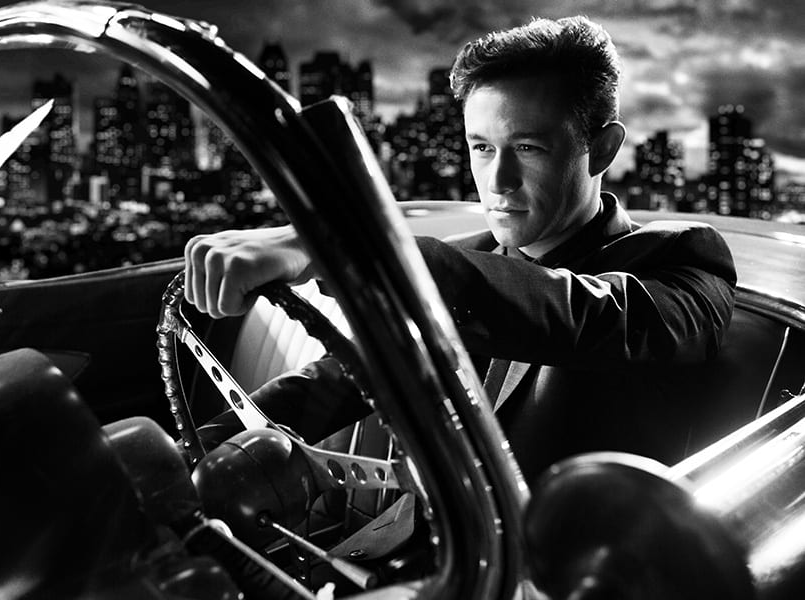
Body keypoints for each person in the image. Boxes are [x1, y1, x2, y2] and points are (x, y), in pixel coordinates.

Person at [184, 16, 736, 481]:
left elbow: (584, 317)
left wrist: (342, 244)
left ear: (604, 149)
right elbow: (345, 377)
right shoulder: (466, 255)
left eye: (528, 148)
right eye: (482, 147)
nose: (498, 181)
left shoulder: (684, 261)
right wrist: (191, 452)